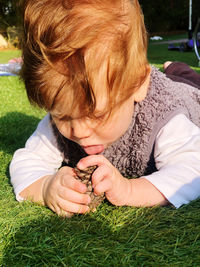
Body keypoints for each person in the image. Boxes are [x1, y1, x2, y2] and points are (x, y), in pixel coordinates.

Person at [10, 0, 200, 217]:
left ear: (137, 85)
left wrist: (129, 190)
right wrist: (45, 187)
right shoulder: (64, 115)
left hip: (189, 95)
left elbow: (192, 170)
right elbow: (26, 161)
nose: (79, 132)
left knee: (188, 81)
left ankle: (177, 69)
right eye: (63, 116)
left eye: (97, 115)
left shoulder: (165, 115)